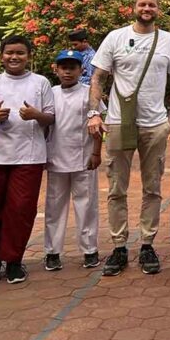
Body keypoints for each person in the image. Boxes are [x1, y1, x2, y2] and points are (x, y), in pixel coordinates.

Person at [89, 0, 170, 277]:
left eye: (152, 5)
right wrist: (94, 112)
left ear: (159, 10)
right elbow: (98, 77)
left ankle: (146, 244)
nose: (147, 9)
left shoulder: (169, 41)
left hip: (155, 124)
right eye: (142, 4)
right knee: (116, 187)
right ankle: (119, 246)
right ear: (133, 8)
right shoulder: (115, 38)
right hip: (119, 121)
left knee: (152, 186)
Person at [0, 34, 55, 284]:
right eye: (9, 52)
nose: (14, 57)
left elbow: (51, 118)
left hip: (29, 156)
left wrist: (35, 114)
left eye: (20, 53)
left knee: (21, 209)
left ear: (29, 56)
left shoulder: (41, 82)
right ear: (1, 56)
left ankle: (13, 260)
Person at [43, 50, 101, 273]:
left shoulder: (89, 94)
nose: (68, 71)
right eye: (63, 67)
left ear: (81, 70)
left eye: (72, 67)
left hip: (83, 158)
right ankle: (52, 251)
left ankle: (89, 250)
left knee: (86, 206)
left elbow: (98, 126)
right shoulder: (50, 93)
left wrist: (96, 153)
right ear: (55, 69)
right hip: (56, 158)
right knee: (54, 207)